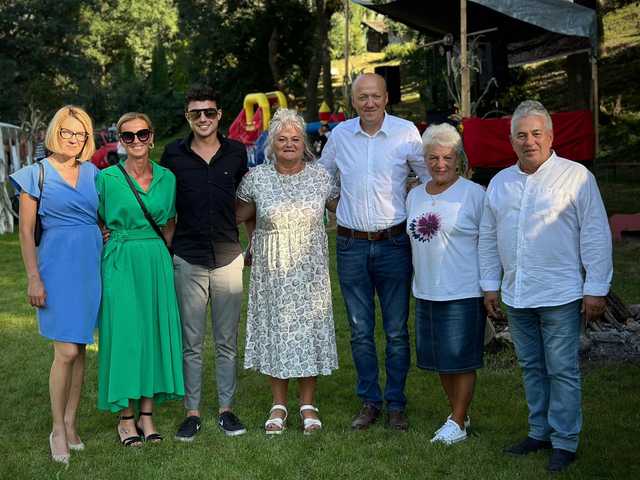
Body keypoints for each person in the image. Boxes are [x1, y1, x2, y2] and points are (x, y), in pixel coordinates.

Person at [479, 100, 613, 473]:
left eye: (536, 133)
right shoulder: (500, 183)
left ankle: (565, 441)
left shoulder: (576, 177)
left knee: (562, 369)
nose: (529, 141)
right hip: (517, 292)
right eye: (521, 135)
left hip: (560, 292)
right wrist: (490, 285)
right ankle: (539, 431)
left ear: (550, 137)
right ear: (511, 141)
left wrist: (596, 287)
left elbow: (596, 235)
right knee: (531, 366)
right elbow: (489, 238)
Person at [320, 73, 429, 431]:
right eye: (362, 97)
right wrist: (341, 207)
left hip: (394, 243)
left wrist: (411, 199)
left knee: (397, 330)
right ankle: (369, 400)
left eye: (375, 96)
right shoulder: (340, 135)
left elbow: (428, 177)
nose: (369, 103)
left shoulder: (405, 132)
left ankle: (396, 402)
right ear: (353, 101)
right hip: (351, 244)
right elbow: (323, 181)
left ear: (386, 99)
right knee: (359, 329)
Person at [236, 108, 339, 434]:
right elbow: (241, 213)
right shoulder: (257, 178)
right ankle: (278, 404)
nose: (289, 144)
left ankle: (308, 403)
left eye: (295, 139)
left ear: (304, 143)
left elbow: (341, 207)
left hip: (309, 272)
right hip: (273, 270)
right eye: (282, 139)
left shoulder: (321, 177)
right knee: (277, 333)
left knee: (308, 331)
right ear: (272, 143)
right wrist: (253, 242)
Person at [10, 105, 101, 464]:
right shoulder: (36, 175)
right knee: (65, 351)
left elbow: (104, 217)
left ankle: (71, 421)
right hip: (56, 267)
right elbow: (27, 232)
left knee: (79, 348)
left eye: (81, 135)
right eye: (68, 133)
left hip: (91, 267)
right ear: (55, 133)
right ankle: (57, 429)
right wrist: (34, 276)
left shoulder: (95, 173)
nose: (75, 140)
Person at [160, 85, 249, 439]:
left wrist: (250, 236)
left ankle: (227, 410)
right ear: (188, 117)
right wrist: (168, 250)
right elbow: (164, 206)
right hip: (188, 257)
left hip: (228, 257)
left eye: (209, 112)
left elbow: (249, 198)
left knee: (227, 340)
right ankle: (192, 412)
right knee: (191, 341)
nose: (203, 119)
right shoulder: (173, 154)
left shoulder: (237, 153)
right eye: (196, 113)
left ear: (219, 115)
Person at [97, 112, 184, 446]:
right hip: (120, 260)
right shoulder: (106, 179)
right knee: (124, 335)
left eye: (142, 134)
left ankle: (146, 415)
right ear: (120, 139)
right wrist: (106, 234)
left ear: (152, 136)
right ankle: (125, 417)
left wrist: (163, 252)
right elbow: (94, 218)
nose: (135, 141)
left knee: (152, 333)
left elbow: (170, 223)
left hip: (156, 259)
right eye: (128, 136)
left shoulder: (167, 178)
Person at [406, 123, 486, 444]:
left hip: (462, 288)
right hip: (426, 289)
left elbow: (489, 241)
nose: (440, 164)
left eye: (448, 158)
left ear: (459, 159)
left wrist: (490, 285)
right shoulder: (414, 195)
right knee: (442, 358)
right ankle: (458, 415)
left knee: (461, 356)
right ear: (425, 159)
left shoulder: (474, 194)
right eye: (434, 158)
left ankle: (456, 420)